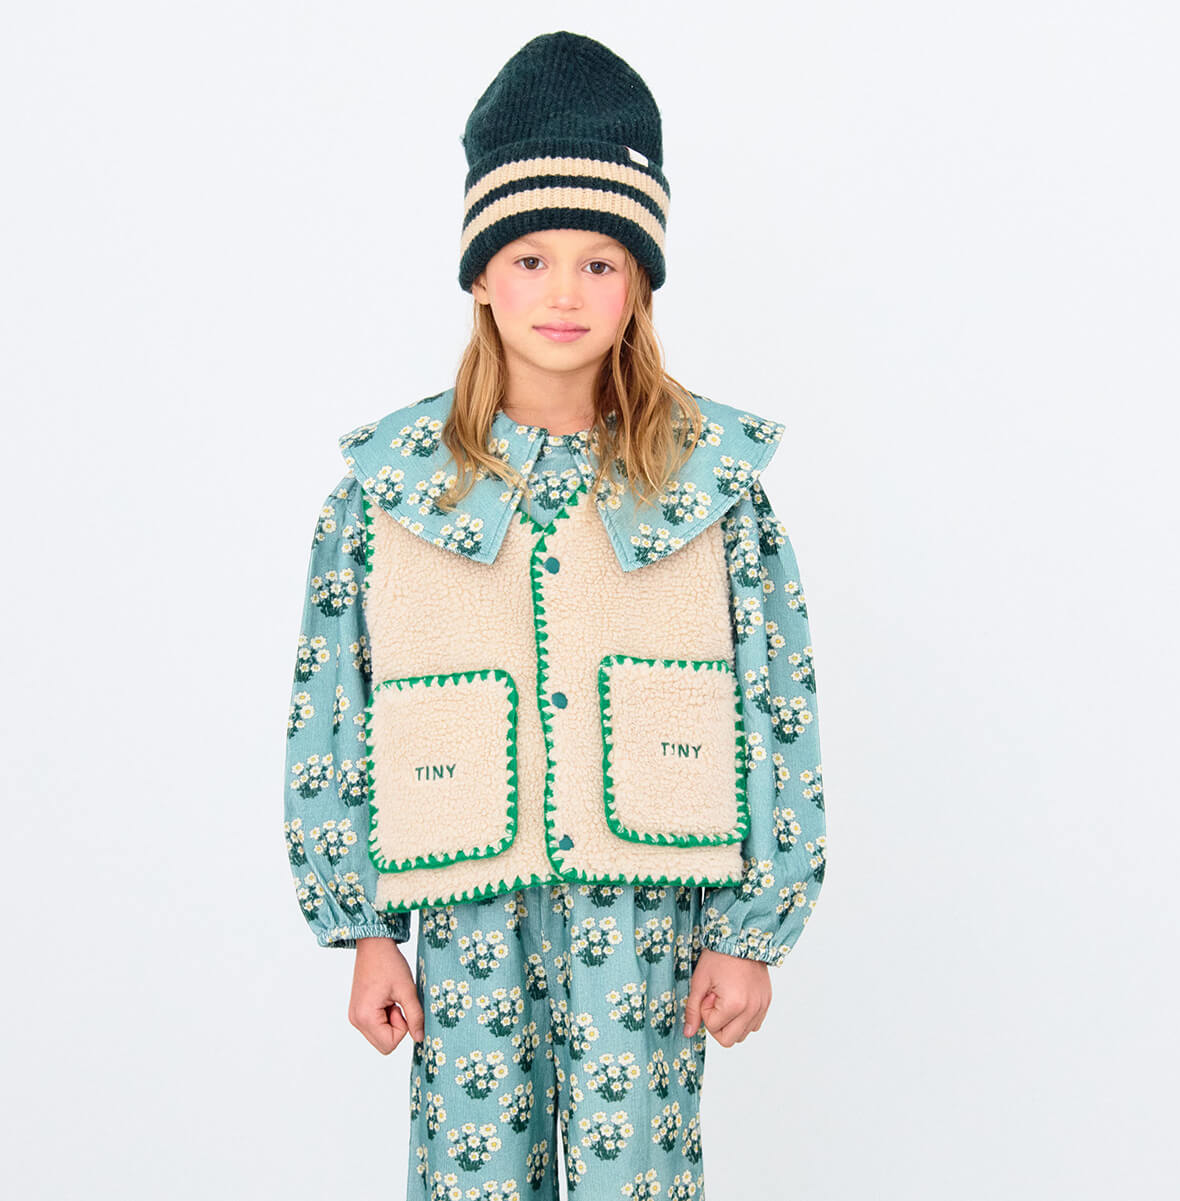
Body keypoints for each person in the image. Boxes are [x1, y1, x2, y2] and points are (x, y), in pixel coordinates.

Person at [282, 30, 827, 1199]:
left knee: (640, 1182)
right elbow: (334, 710)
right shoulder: (388, 493)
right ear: (481, 274)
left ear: (641, 281)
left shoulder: (713, 490)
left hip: (648, 907)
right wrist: (367, 928)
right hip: (464, 907)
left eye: (601, 261)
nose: (566, 293)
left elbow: (777, 705)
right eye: (530, 258)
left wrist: (750, 929)